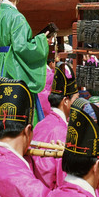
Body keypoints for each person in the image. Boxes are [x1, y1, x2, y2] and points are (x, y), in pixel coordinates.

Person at [0, 0, 56, 124]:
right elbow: (22, 47)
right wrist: (41, 40)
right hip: (12, 67)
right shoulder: (17, 17)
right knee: (16, 108)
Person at [28, 62, 79, 190]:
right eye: (76, 100)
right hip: (51, 193)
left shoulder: (40, 124)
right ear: (66, 101)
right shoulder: (62, 131)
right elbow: (64, 177)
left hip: (37, 188)